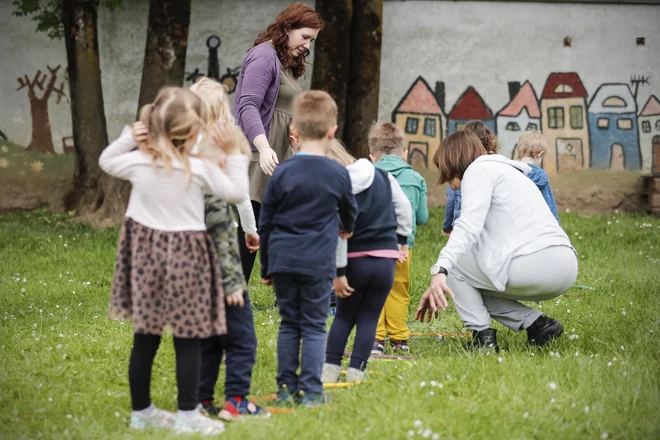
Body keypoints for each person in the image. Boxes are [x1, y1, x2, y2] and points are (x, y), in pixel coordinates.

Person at [100, 87, 249, 435]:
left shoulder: (139, 161)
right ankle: (187, 416)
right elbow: (237, 192)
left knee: (145, 337)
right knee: (188, 339)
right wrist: (233, 153)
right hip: (188, 260)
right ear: (195, 133)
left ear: (151, 126)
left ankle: (142, 412)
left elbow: (106, 161)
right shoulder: (198, 169)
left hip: (144, 259)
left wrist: (128, 137)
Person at [416, 130, 577, 352]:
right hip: (564, 265)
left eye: (444, 170)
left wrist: (439, 270)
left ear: (453, 162)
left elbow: (467, 226)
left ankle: (483, 339)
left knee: (455, 269)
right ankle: (538, 325)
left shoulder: (478, 170)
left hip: (536, 263)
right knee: (472, 285)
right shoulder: (508, 172)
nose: (446, 181)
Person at [259, 91, 357, 406]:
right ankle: (312, 392)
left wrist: (266, 267)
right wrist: (347, 225)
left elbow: (266, 222)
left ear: (295, 134)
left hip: (283, 261)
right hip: (318, 262)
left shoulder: (281, 173)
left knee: (290, 324)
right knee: (314, 326)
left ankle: (286, 389)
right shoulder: (338, 173)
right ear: (333, 131)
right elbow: (350, 210)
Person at [185, 77, 269, 420]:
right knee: (241, 334)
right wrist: (251, 230)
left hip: (188, 257)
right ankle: (237, 401)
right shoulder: (223, 149)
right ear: (222, 113)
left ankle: (202, 400)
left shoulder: (182, 152)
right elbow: (240, 195)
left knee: (207, 333)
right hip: (220, 257)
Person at [233, 2, 324, 282]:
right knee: (252, 221)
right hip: (260, 153)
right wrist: (263, 149)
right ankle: (231, 293)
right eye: (304, 37)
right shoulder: (264, 56)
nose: (307, 45)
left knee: (274, 222)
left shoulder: (285, 63)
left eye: (312, 40)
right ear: (287, 27)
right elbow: (247, 105)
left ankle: (284, 292)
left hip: (277, 154)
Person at [322, 141, 413, 383]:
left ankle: (330, 370)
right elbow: (404, 207)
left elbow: (341, 231)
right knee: (369, 317)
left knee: (344, 316)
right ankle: (356, 372)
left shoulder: (338, 186)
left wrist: (338, 271)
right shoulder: (382, 176)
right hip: (385, 262)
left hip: (354, 261)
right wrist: (401, 239)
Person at [367, 122, 428, 355]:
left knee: (374, 290)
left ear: (372, 156)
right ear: (404, 153)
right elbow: (421, 217)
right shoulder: (415, 178)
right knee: (399, 290)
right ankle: (400, 339)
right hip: (403, 247)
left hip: (372, 246)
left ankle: (375, 340)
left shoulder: (369, 175)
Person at [442, 121, 498, 237]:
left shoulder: (460, 171)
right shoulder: (495, 165)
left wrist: (447, 226)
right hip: (489, 228)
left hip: (462, 225)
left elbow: (451, 202)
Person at [516, 130, 560, 223]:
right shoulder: (540, 175)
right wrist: (556, 224)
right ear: (539, 155)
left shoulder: (512, 171)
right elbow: (549, 205)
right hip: (536, 222)